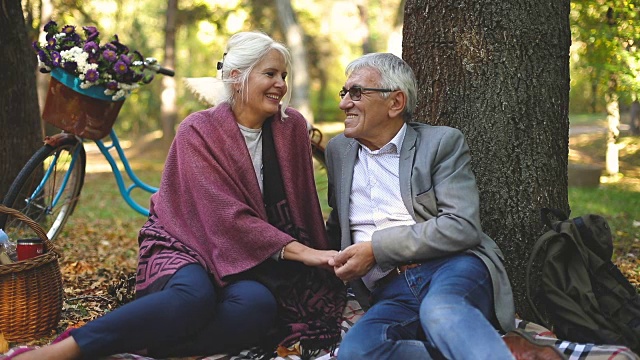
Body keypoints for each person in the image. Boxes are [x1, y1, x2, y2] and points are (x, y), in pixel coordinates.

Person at [8, 31, 345, 360]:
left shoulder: (291, 128)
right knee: (192, 300)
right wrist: (303, 252)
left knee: (257, 309)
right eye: (270, 74)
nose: (281, 85)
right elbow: (224, 218)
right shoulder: (197, 131)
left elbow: (301, 206)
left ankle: (135, 344)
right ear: (236, 77)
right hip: (184, 242)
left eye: (283, 75)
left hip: (250, 258)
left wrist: (317, 253)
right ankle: (64, 351)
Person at [325, 53, 565, 359]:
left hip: (451, 266)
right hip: (391, 289)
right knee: (357, 352)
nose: (345, 103)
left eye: (357, 93)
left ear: (395, 102)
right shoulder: (339, 151)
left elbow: (461, 227)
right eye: (344, 93)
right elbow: (339, 222)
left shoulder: (440, 143)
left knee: (441, 312)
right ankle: (494, 351)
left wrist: (376, 249)